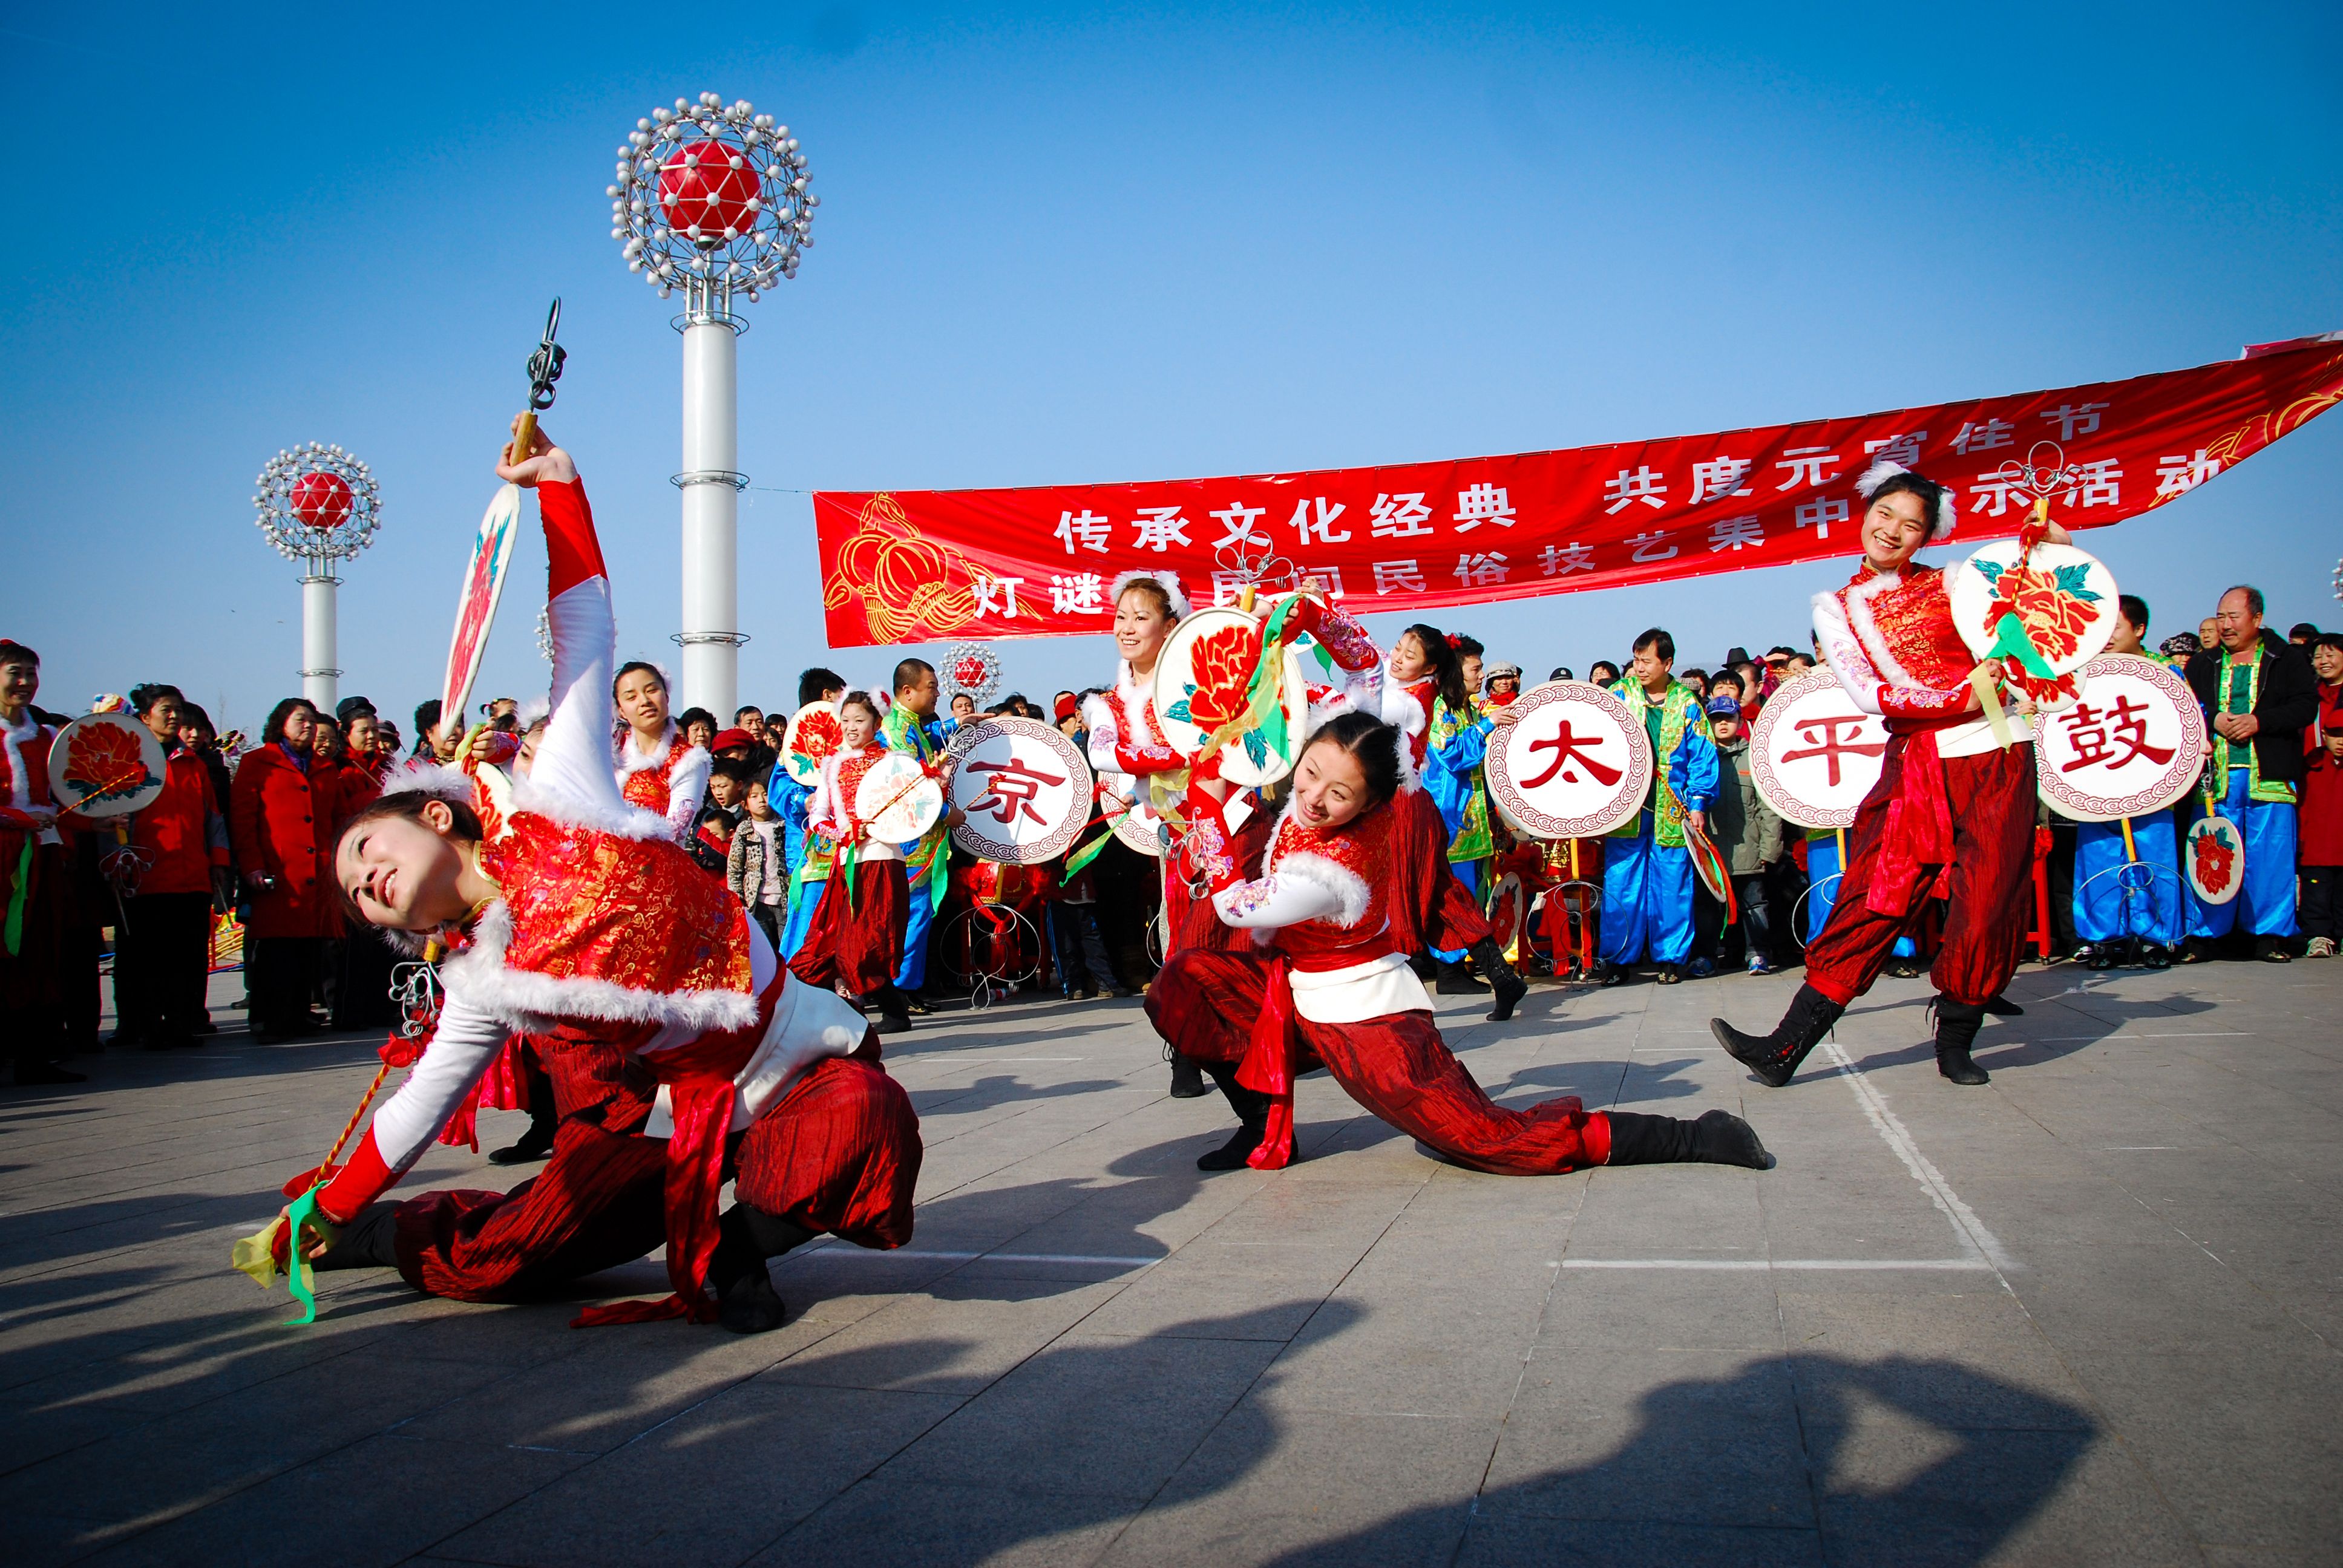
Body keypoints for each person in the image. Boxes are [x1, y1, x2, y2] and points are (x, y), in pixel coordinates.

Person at [306, 422, 919, 1334]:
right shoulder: (479, 976)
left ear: (433, 815)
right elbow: (425, 1099)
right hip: (675, 1113)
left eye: (366, 853)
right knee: (510, 1256)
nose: (365, 884)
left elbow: (583, 631)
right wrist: (329, 1207)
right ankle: (380, 1242)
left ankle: (738, 1254)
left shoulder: (557, 792)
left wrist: (560, 489)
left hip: (792, 1051)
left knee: (867, 1116)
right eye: (355, 892)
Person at [1148, 712, 1771, 1175]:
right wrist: (1295, 621)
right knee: (1184, 979)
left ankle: (1694, 1137)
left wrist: (1204, 807)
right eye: (1309, 772)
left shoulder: (1331, 871)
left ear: (1370, 801)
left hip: (1365, 1023)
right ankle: (1259, 1124)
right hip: (1294, 992)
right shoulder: (1353, 764)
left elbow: (1234, 902)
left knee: (1488, 1140)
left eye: (1337, 795)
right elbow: (1364, 682)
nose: (1312, 798)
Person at [1712, 461, 2054, 1089]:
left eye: (1911, 525)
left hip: (1998, 756)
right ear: (1865, 512)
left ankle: (1956, 1039)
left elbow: (2034, 630)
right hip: (1918, 770)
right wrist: (1966, 694)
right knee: (1875, 896)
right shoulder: (1836, 608)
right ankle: (1784, 1047)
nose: (1892, 531)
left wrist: (2043, 562)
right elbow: (1871, 693)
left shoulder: (1961, 581)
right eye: (1884, 515)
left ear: (1927, 537)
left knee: (1985, 902)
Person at [2184, 585, 2319, 961]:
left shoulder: (2286, 658)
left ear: (2257, 619)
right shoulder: (2202, 662)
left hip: (2270, 774)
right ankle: (2206, 935)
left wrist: (2260, 721)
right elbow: (2188, 706)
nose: (2225, 625)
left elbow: (2306, 707)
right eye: (2221, 616)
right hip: (2217, 777)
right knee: (2211, 852)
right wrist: (2215, 718)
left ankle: (2270, 936)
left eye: (2234, 617)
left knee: (2270, 857)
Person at [111, 684, 233, 1050]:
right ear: (145, 716)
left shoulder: (193, 764)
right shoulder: (127, 761)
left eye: (177, 709)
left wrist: (219, 864)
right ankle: (137, 1024)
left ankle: (182, 1023)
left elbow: (213, 818)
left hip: (191, 877)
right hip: (144, 878)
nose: (174, 716)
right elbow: (110, 816)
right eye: (166, 709)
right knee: (140, 958)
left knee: (187, 957)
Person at [1595, 629, 1719, 986]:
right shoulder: (1619, 694)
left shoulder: (1686, 703)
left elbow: (1702, 756)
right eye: (1636, 660)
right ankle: (1618, 958)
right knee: (1622, 881)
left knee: (1672, 883)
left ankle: (1670, 958)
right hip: (1628, 806)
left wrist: (1698, 802)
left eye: (1647, 661)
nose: (1640, 668)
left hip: (1672, 804)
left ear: (1667, 663)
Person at [2070, 595, 2186, 970]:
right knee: (2099, 859)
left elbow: (2183, 724)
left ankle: (2158, 938)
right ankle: (2105, 940)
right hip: (2099, 784)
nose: (2106, 636)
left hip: (2150, 784)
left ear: (2139, 630)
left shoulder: (2165, 673)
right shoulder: (2083, 671)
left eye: (2115, 627)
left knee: (2155, 857)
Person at [791, 690, 917, 1033]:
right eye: (845, 720)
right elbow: (819, 813)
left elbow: (909, 809)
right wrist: (837, 832)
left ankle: (888, 1011)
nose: (851, 727)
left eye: (859, 721)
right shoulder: (832, 763)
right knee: (827, 941)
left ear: (876, 724)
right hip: (846, 862)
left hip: (880, 859)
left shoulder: (893, 762)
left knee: (866, 942)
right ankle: (831, 1011)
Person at [0, 639, 83, 1085]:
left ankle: (37, 1056)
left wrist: (102, 823)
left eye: (31, 674)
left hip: (43, 860)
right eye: (15, 673)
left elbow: (65, 802)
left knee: (41, 954)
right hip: (3, 861)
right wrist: (18, 819)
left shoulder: (48, 739)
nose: (25, 683)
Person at [231, 697, 336, 1041]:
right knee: (276, 951)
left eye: (311, 721)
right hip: (276, 871)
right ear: (281, 724)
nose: (307, 726)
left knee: (307, 950)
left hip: (315, 871)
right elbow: (244, 821)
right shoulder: (257, 763)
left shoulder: (324, 768)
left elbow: (332, 820)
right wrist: (252, 866)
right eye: (299, 720)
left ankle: (297, 1013)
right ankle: (267, 1019)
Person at [880, 658, 965, 1011]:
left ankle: (908, 985)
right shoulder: (896, 729)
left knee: (921, 914)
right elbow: (910, 784)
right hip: (911, 841)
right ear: (907, 691)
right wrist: (948, 814)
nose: (937, 693)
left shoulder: (912, 723)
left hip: (926, 840)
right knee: (912, 915)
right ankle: (899, 988)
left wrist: (961, 723)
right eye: (932, 687)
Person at [1694, 691, 1782, 976]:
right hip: (1711, 852)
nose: (1722, 725)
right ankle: (1705, 956)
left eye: (1728, 719)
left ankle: (1758, 954)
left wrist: (1770, 848)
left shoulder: (1754, 758)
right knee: (1707, 909)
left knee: (1755, 905)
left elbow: (1768, 807)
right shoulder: (1700, 759)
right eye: (1716, 719)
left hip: (1749, 850)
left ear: (1740, 721)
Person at [615, 661, 710, 841]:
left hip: (659, 864)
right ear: (621, 710)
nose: (644, 701)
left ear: (666, 696)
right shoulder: (612, 754)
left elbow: (674, 833)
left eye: (651, 690)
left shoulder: (688, 761)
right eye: (631, 697)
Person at [2301, 633, 2343, 958]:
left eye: (2331, 655)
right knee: (2317, 859)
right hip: (2317, 783)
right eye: (2318, 656)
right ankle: (2318, 933)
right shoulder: (2309, 696)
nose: (2323, 661)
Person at [730, 775, 791, 949]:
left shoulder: (784, 825)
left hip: (783, 898)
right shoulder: (745, 830)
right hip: (756, 901)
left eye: (765, 794)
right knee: (764, 946)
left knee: (785, 946)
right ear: (745, 805)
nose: (761, 800)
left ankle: (789, 975)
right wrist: (737, 898)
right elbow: (735, 867)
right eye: (754, 796)